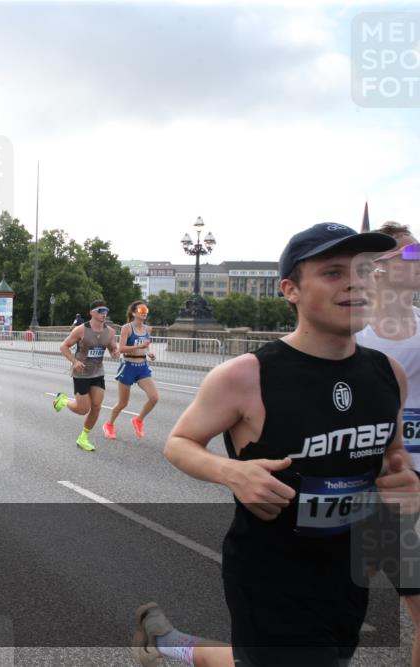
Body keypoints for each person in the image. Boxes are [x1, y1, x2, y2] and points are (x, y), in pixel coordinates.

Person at [131, 223, 416, 667]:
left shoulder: (387, 374)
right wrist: (232, 471)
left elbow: (390, 460)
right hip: (271, 576)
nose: (355, 282)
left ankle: (167, 642)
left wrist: (404, 484)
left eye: (363, 270)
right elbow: (180, 442)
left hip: (348, 572)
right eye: (334, 272)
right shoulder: (246, 375)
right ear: (291, 290)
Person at [355, 221, 420, 667]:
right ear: (378, 267)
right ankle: (173, 643)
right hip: (369, 489)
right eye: (411, 255)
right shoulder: (352, 332)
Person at [52, 300, 121, 451]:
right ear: (92, 312)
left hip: (97, 373)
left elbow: (113, 349)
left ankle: (83, 438)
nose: (104, 313)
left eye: (106, 310)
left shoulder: (110, 332)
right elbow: (63, 347)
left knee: (96, 406)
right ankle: (63, 400)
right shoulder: (81, 330)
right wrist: (74, 361)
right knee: (83, 409)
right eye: (100, 310)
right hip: (81, 373)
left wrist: (116, 352)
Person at [103, 301, 158, 440]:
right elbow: (121, 349)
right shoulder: (127, 328)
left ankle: (138, 420)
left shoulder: (147, 329)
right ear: (134, 313)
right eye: (141, 309)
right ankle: (109, 425)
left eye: (146, 309)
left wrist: (148, 352)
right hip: (128, 366)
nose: (144, 312)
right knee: (123, 403)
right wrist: (141, 346)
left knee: (154, 397)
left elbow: (144, 346)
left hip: (142, 367)